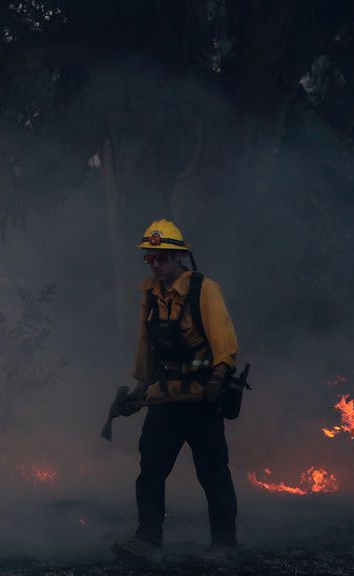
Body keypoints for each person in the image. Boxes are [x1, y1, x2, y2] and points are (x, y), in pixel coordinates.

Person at [111, 219, 240, 563]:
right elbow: (146, 348)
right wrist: (139, 391)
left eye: (162, 257)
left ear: (179, 256)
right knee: (151, 471)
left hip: (200, 400)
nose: (155, 264)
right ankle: (148, 541)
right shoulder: (150, 296)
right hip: (165, 399)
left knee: (213, 472)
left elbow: (224, 341)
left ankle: (224, 544)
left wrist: (218, 378)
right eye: (150, 258)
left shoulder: (203, 289)